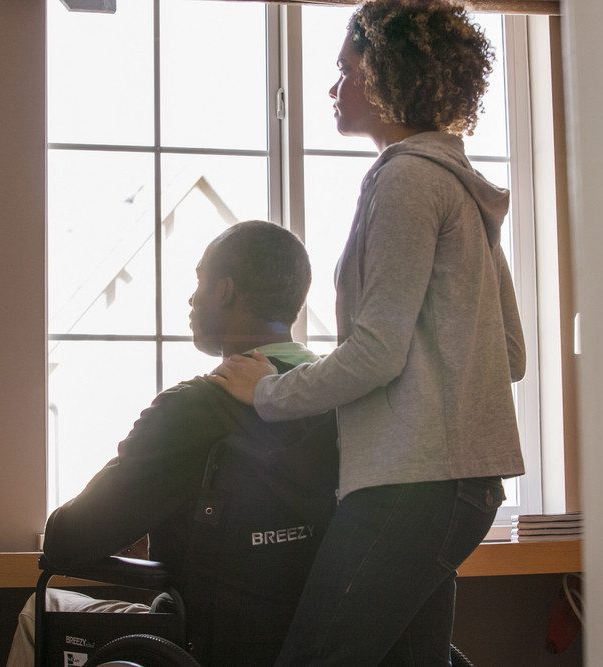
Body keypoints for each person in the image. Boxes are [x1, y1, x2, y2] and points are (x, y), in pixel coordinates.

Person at [206, 2, 526, 664]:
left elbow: (377, 353)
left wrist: (268, 392)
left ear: (386, 75)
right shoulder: (462, 188)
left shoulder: (405, 179)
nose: (334, 86)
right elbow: (511, 356)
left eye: (345, 69)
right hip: (464, 490)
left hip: (411, 484)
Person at [6, 221, 338, 666]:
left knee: (39, 609)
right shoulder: (335, 401)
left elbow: (68, 541)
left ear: (225, 290)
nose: (192, 299)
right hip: (315, 647)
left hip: (198, 646)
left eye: (200, 282)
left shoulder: (194, 408)